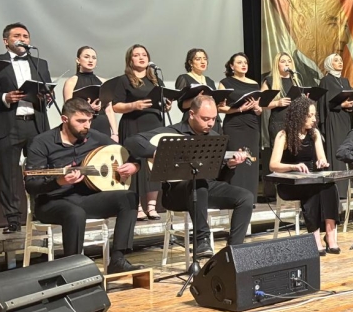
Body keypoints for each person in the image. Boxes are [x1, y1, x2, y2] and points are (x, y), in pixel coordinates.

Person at [124, 95, 253, 256]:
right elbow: (132, 141)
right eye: (205, 119)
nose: (210, 123)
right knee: (198, 184)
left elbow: (220, 178)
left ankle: (234, 252)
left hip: (205, 188)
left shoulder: (214, 138)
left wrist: (230, 165)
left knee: (245, 197)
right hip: (176, 192)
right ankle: (202, 240)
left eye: (213, 119)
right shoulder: (172, 132)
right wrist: (157, 152)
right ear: (191, 114)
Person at [25, 98, 143, 273]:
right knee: (75, 213)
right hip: (51, 201)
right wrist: (59, 181)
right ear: (64, 119)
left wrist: (134, 166)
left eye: (89, 120)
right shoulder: (42, 142)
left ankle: (118, 260)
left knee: (129, 197)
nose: (86, 126)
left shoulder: (95, 137)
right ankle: (73, 269)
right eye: (80, 121)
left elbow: (128, 153)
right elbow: (31, 185)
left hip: (85, 198)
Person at [0, 23, 52, 234]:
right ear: (6, 41)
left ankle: (42, 211)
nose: (23, 39)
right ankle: (13, 218)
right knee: (9, 173)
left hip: (36, 123)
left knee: (39, 170)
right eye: (17, 35)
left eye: (26, 36)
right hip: (9, 124)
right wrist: (5, 97)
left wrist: (47, 97)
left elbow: (47, 91)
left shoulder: (40, 63)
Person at [269, 97, 341, 254]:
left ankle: (330, 235)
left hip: (309, 179)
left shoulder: (314, 133)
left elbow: (322, 158)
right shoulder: (283, 135)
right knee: (313, 189)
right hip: (289, 184)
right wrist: (293, 166)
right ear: (299, 116)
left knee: (329, 185)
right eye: (310, 115)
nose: (314, 119)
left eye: (315, 115)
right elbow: (273, 165)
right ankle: (314, 236)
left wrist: (322, 162)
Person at [111, 44, 170, 220]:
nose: (141, 57)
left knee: (154, 164)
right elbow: (116, 106)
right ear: (130, 60)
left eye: (144, 54)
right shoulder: (124, 80)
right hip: (133, 124)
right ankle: (137, 207)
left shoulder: (155, 79)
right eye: (136, 55)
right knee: (135, 163)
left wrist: (167, 105)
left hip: (154, 124)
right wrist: (133, 105)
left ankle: (151, 206)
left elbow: (162, 100)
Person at [218, 52, 262, 201]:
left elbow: (259, 110)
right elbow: (219, 108)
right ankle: (235, 198)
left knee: (251, 160)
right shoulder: (225, 82)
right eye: (239, 62)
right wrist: (239, 109)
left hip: (252, 124)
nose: (243, 65)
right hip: (234, 124)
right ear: (232, 66)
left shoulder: (254, 84)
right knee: (236, 159)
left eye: (245, 62)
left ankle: (251, 198)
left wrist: (257, 108)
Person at [62, 46, 117, 139]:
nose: (90, 60)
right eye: (86, 57)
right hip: (82, 125)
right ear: (78, 60)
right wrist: (86, 108)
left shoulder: (103, 82)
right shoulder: (71, 82)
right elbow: (68, 110)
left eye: (94, 58)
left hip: (102, 124)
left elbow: (109, 109)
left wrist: (115, 133)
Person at [319, 53, 353, 173]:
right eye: (336, 60)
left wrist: (350, 105)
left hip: (345, 117)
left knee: (347, 147)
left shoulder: (345, 81)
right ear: (329, 64)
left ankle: (348, 179)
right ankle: (337, 180)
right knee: (336, 148)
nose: (340, 62)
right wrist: (341, 105)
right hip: (333, 117)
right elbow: (323, 104)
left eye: (341, 60)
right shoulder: (325, 81)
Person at [174, 48, 223, 131]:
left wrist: (219, 103)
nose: (203, 62)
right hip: (194, 121)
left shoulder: (209, 81)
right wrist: (196, 99)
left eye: (205, 59)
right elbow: (182, 105)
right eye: (198, 59)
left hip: (212, 121)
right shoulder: (184, 78)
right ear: (190, 62)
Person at [261, 52, 298, 139]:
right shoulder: (270, 81)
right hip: (278, 123)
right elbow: (261, 104)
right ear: (277, 65)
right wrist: (277, 103)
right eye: (283, 61)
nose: (287, 64)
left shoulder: (295, 81)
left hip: (295, 123)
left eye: (289, 61)